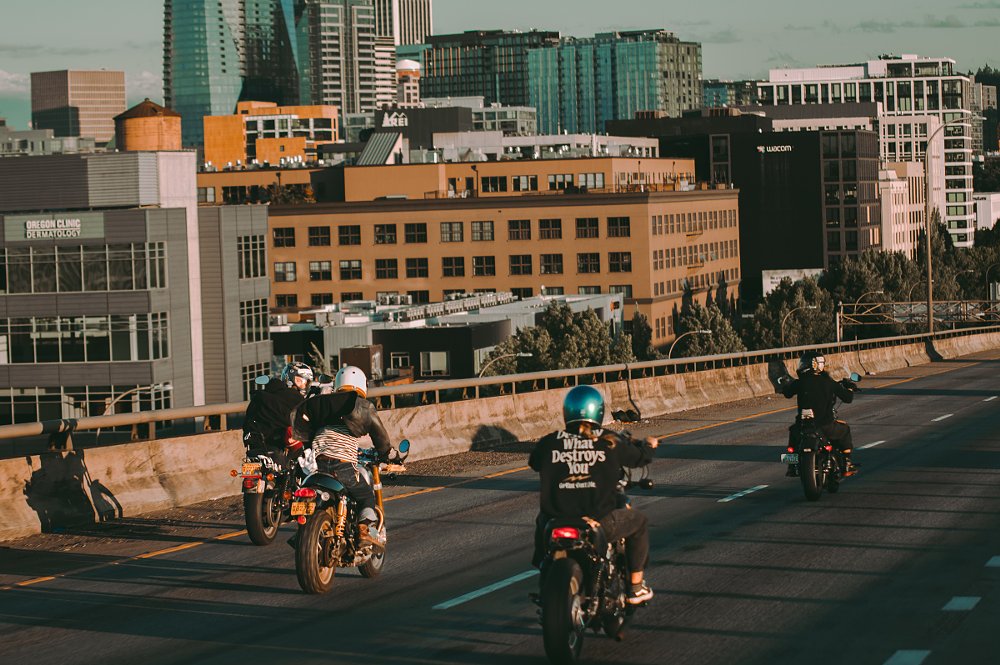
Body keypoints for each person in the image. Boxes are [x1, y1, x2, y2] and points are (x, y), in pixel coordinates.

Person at [529, 385, 659, 605]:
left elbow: (534, 462)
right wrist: (649, 446)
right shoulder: (610, 441)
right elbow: (639, 459)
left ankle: (544, 568)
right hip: (597, 521)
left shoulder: (550, 441)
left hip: (556, 521)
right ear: (597, 411)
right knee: (639, 521)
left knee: (542, 520)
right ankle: (635, 588)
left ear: (567, 411)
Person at [294, 365, 398, 548]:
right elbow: (381, 438)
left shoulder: (323, 403)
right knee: (365, 495)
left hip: (314, 465)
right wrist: (386, 454)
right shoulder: (363, 405)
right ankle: (364, 530)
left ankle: (304, 535)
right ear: (362, 385)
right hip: (341, 465)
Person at [780, 351, 859, 477]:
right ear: (819, 365)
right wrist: (849, 388)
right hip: (825, 426)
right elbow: (848, 398)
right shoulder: (828, 382)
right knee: (845, 430)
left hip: (803, 427)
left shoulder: (800, 382)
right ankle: (847, 462)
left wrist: (784, 384)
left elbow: (787, 393)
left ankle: (791, 465)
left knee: (792, 437)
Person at [243, 361, 314, 470]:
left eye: (305, 383)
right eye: (299, 381)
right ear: (289, 379)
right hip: (275, 446)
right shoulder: (294, 398)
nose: (303, 386)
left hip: (253, 445)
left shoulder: (261, 396)